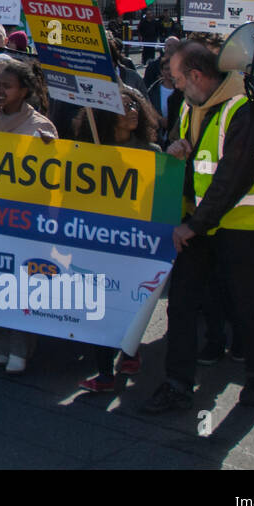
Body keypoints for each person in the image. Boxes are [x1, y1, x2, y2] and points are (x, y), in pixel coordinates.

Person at [144, 41, 254, 413]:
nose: (175, 84)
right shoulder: (190, 105)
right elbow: (197, 165)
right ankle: (177, 384)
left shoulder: (243, 109)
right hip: (200, 225)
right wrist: (176, 149)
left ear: (197, 75)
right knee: (182, 305)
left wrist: (195, 225)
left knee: (246, 305)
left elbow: (233, 177)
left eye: (178, 77)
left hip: (240, 228)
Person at [74, 85, 160, 391]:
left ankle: (131, 352)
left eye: (135, 105)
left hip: (136, 244)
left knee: (132, 301)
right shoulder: (90, 153)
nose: (133, 111)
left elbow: (159, 200)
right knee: (100, 306)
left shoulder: (152, 152)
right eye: (124, 107)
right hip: (98, 243)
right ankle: (105, 373)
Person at [0, 58, 57, 373]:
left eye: (7, 86)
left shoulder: (41, 127)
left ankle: (21, 349)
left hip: (26, 221)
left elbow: (52, 177)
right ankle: (1, 344)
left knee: (21, 284)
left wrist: (50, 149)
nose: (0, 90)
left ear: (24, 90)